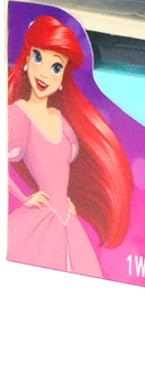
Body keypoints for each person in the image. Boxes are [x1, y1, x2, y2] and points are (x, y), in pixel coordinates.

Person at [8, 14, 132, 272]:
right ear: (27, 59)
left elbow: (64, 168)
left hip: (67, 217)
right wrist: (23, 197)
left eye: (56, 67)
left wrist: (68, 200)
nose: (45, 72)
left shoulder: (60, 119)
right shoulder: (19, 114)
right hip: (41, 219)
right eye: (38, 57)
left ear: (63, 76)